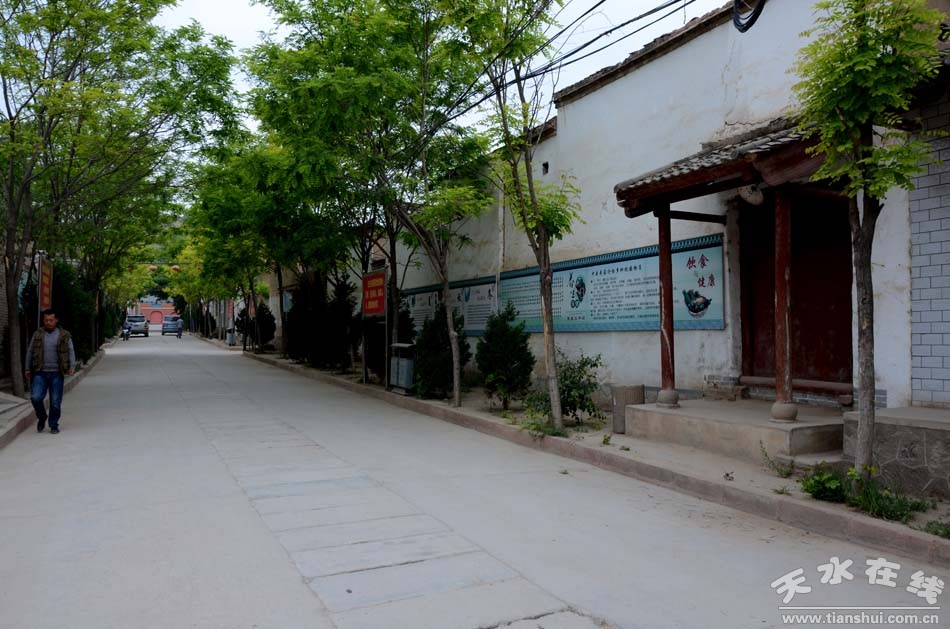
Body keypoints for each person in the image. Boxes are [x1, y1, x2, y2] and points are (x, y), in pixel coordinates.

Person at [24, 308, 76, 434]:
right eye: (46, 320)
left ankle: (53, 425)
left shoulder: (64, 335)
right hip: (40, 372)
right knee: (36, 398)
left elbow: (71, 351)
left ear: (56, 320)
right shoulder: (37, 334)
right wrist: (27, 368)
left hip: (56, 373)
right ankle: (42, 417)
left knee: (55, 402)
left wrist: (72, 367)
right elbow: (30, 351)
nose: (48, 322)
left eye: (51, 320)